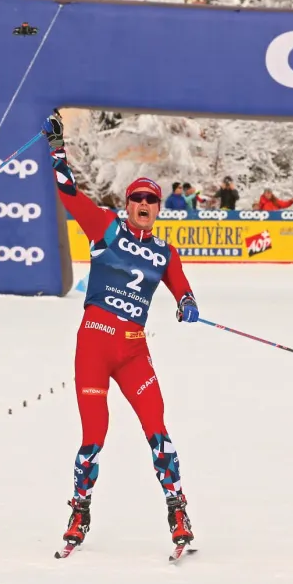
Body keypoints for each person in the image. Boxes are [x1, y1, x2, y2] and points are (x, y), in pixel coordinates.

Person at [42, 111, 199, 550]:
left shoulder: (166, 254)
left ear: (158, 209)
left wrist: (187, 303)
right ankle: (79, 513)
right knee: (94, 435)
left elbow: (183, 288)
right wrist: (57, 150)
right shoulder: (105, 229)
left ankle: (178, 511)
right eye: (137, 200)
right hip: (93, 346)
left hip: (132, 352)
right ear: (128, 205)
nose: (144, 206)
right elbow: (69, 194)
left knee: (158, 431)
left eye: (152, 201)